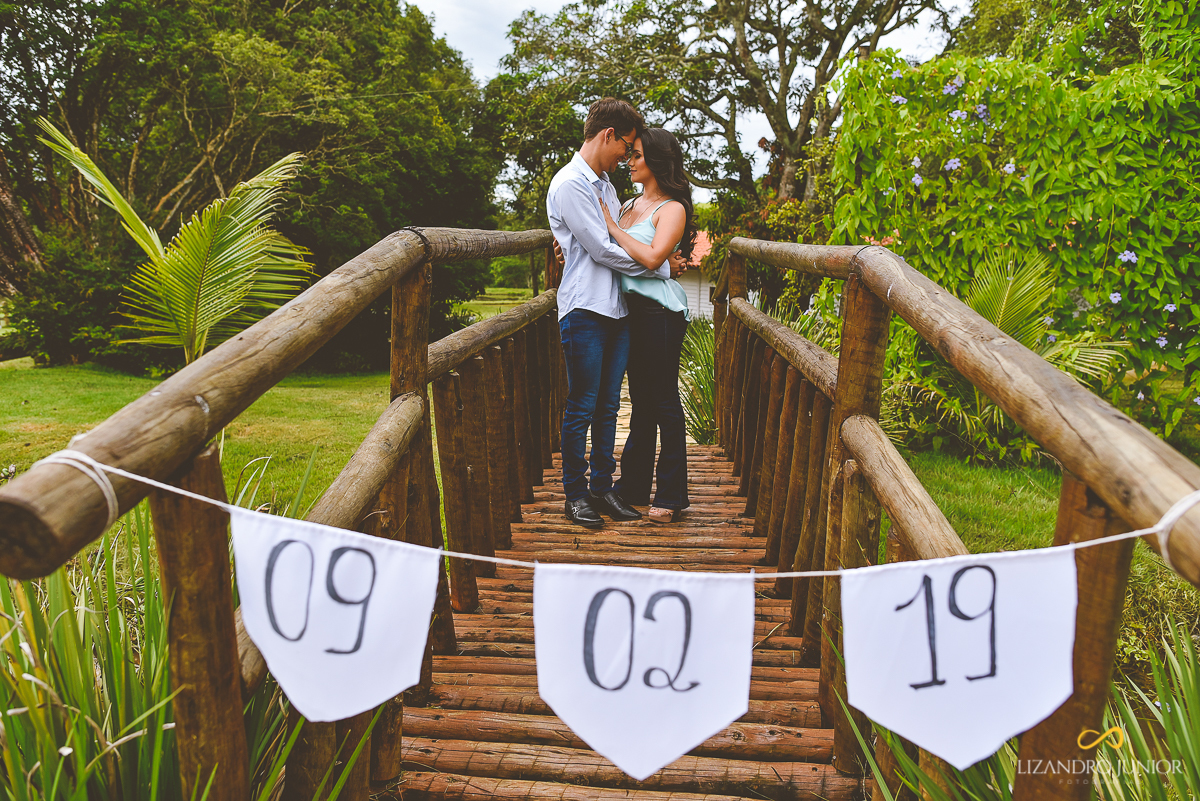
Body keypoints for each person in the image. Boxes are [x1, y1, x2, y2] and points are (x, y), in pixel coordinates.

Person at [546, 98, 680, 529]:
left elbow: (618, 237)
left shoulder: (605, 186)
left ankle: (603, 488)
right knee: (582, 406)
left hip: (618, 311)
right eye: (626, 145)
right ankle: (575, 494)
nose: (626, 156)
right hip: (585, 307)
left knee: (607, 407)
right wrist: (659, 266)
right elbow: (602, 249)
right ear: (608, 135)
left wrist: (649, 257)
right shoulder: (571, 184)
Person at [598, 128, 695, 523]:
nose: (629, 161)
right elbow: (613, 255)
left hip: (660, 312)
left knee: (663, 399)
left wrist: (612, 228)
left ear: (656, 160)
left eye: (636, 155)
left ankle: (672, 495)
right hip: (629, 311)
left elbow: (654, 258)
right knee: (641, 399)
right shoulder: (627, 204)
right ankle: (634, 486)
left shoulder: (672, 209)